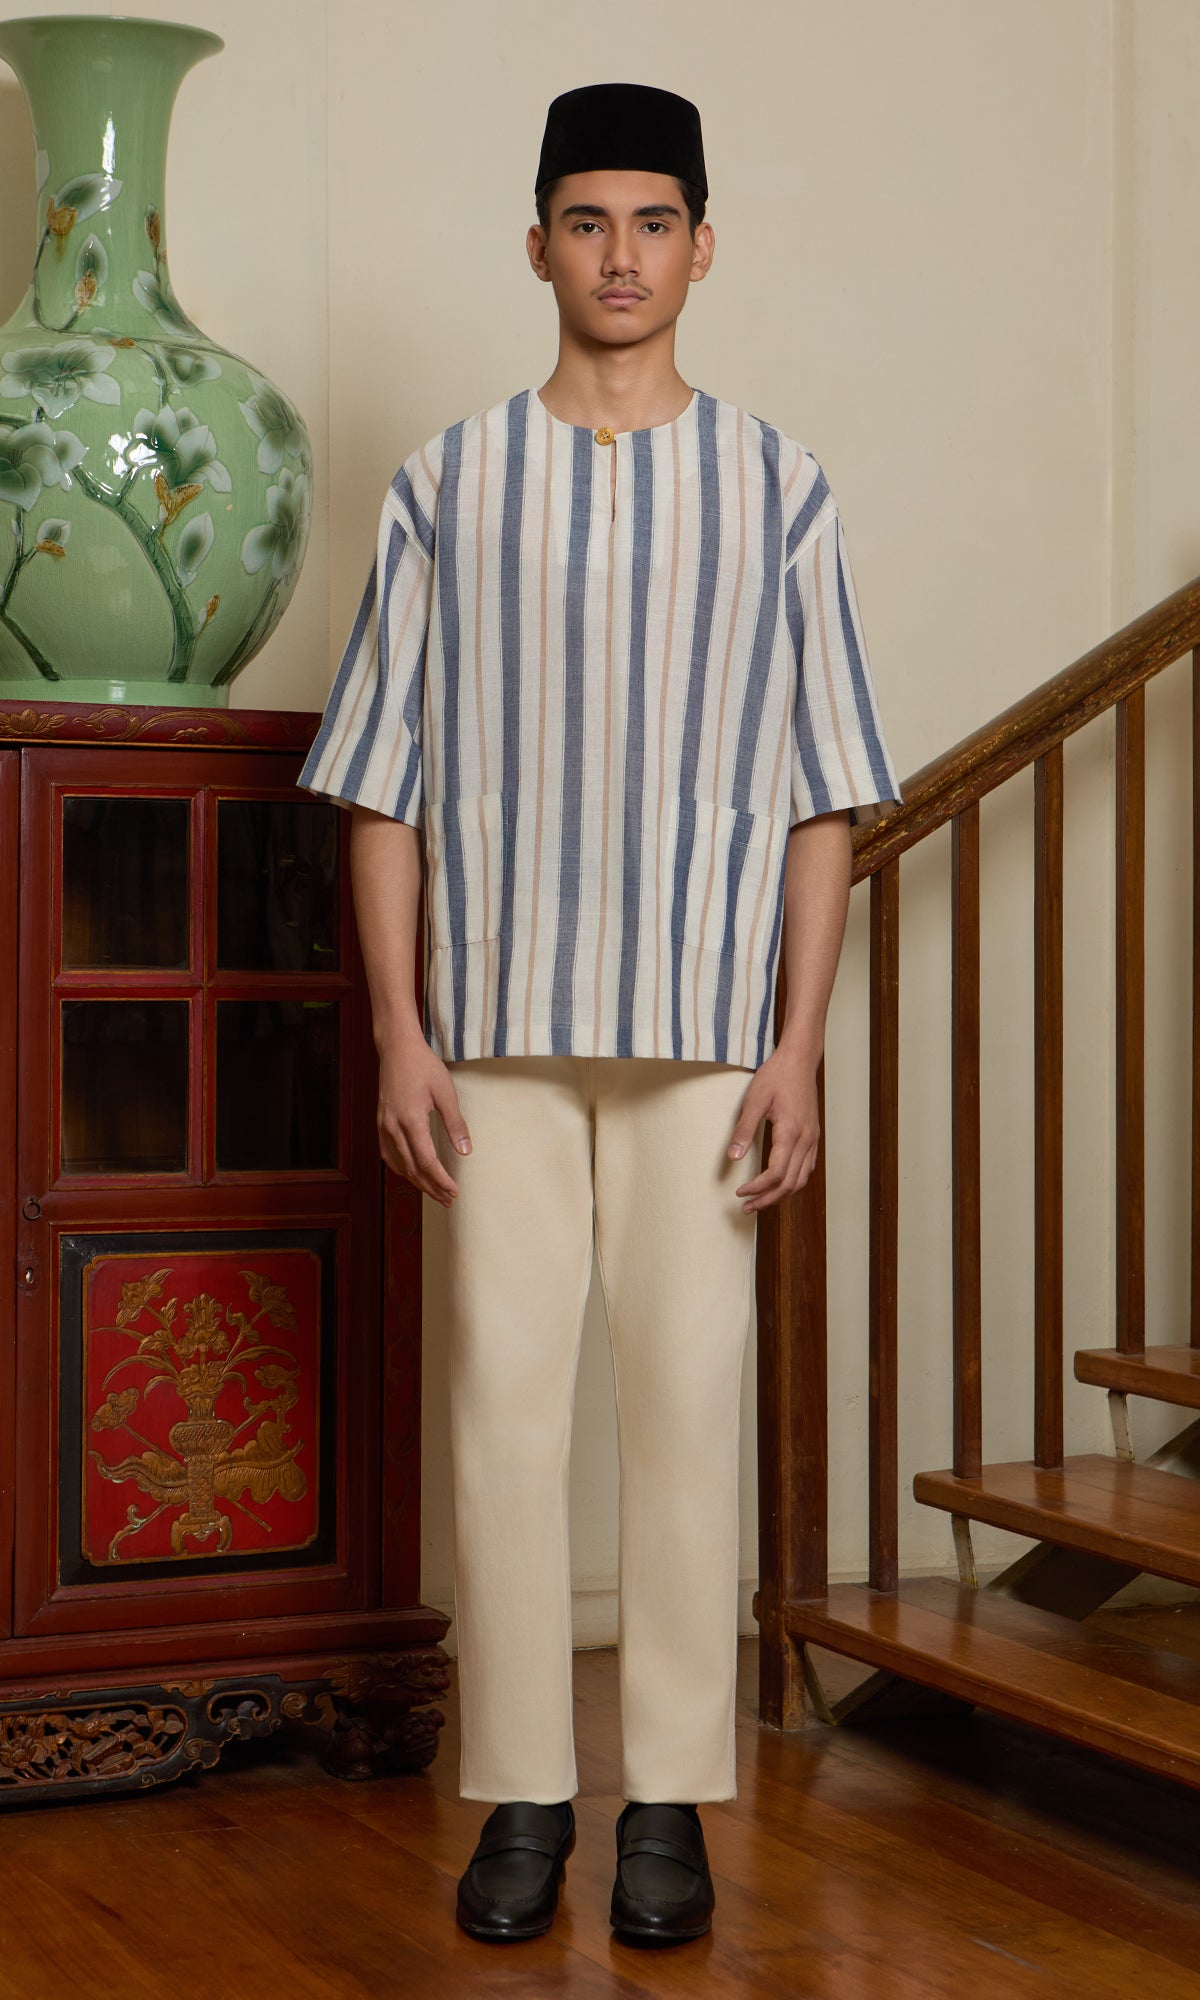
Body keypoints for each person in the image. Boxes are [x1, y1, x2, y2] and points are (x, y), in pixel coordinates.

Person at [298, 79, 902, 1949]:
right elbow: (383, 783)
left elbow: (825, 791)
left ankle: (666, 1805)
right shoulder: (448, 484)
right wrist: (399, 1032)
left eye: (653, 222)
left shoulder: (780, 486)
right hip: (491, 1031)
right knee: (498, 1415)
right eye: (587, 221)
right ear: (538, 244)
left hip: (707, 1035)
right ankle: (522, 1796)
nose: (620, 255)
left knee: (689, 1416)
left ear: (703, 247)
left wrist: (798, 1046)